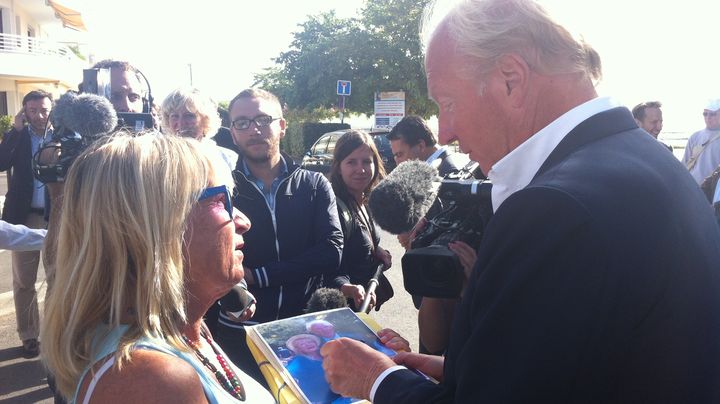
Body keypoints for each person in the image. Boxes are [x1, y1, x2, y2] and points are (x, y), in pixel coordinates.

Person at [321, 0, 720, 402]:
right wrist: (464, 370)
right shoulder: (646, 160)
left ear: (511, 79)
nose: (445, 133)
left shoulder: (552, 208)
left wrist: (375, 377)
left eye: (449, 103)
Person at [40, 133, 274, 403]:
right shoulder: (148, 380)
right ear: (156, 228)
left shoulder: (178, 328)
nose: (243, 221)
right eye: (221, 200)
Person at [212, 88, 343, 386]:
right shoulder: (219, 188)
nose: (254, 129)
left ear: (282, 126)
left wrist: (260, 275)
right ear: (233, 134)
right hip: (240, 331)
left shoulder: (314, 183)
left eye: (262, 119)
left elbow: (330, 252)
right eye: (242, 123)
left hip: (303, 328)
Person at [387, 115, 472, 355]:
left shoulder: (450, 173)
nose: (397, 163)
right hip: (435, 289)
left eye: (400, 154)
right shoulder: (439, 167)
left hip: (446, 296)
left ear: (421, 145)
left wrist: (415, 238)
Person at [0, 89, 52, 357]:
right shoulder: (19, 137)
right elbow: (1, 162)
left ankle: (57, 333)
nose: (40, 116)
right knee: (24, 281)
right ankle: (29, 335)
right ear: (24, 112)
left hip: (57, 216)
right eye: (33, 111)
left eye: (44, 109)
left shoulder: (64, 135)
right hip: (25, 217)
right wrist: (15, 131)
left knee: (58, 278)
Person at [328, 130, 392, 312]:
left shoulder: (363, 200)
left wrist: (375, 249)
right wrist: (346, 287)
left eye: (366, 161)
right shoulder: (333, 209)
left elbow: (356, 240)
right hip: (342, 311)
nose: (361, 169)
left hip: (362, 306)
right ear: (338, 167)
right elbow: (325, 266)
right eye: (351, 162)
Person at [160, 87, 238, 170]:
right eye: (174, 116)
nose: (181, 123)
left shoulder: (226, 159)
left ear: (206, 120)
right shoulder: (159, 161)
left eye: (189, 115)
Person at [285, 334, 352, 404]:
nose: (308, 344)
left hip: (344, 396)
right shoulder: (298, 361)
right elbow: (289, 375)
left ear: (316, 343)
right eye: (302, 344)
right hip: (325, 400)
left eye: (310, 342)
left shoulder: (328, 355)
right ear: (298, 349)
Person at [682, 98, 720, 184]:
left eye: (712, 114)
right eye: (705, 114)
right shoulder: (695, 137)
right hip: (695, 188)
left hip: (715, 192)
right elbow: (684, 165)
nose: (708, 117)